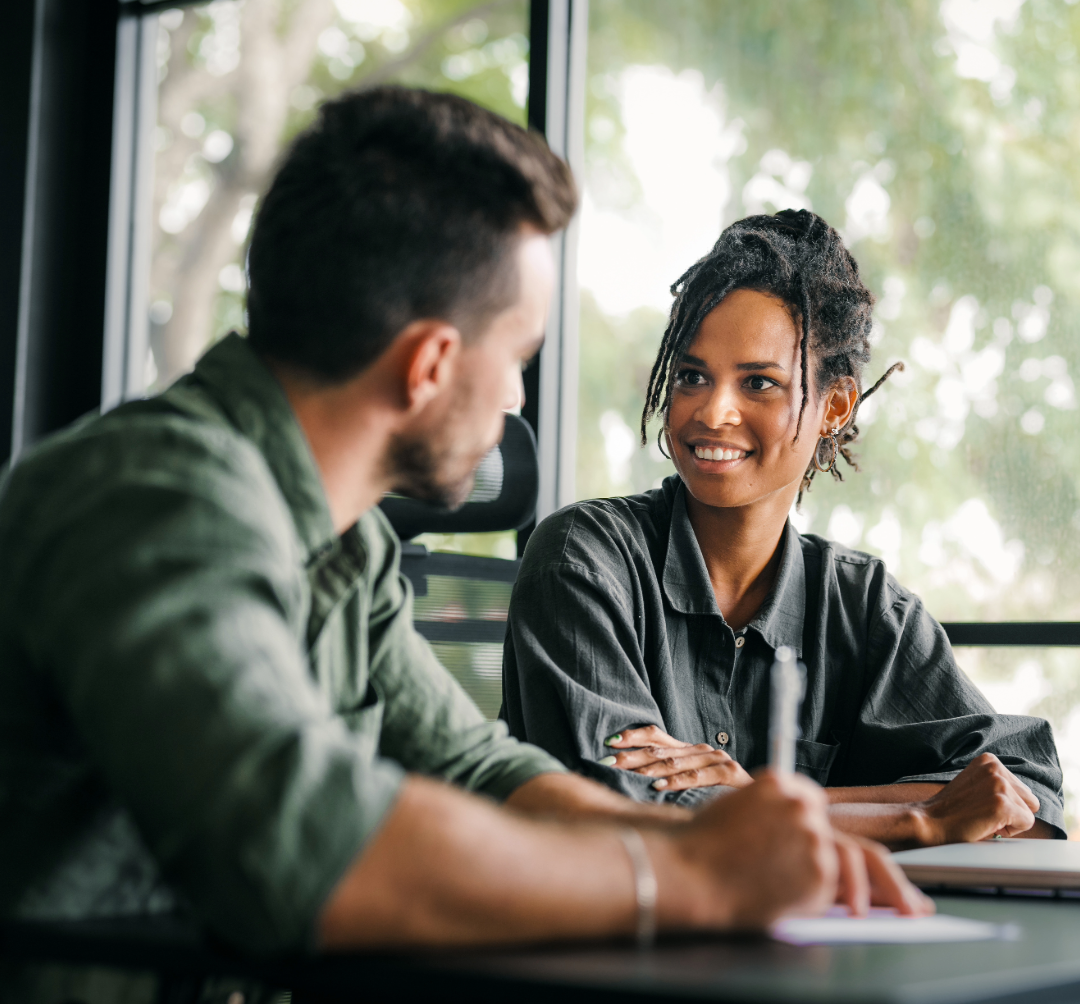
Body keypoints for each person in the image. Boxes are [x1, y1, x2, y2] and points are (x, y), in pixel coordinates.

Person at [0, 91, 927, 994]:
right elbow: (303, 849)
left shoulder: (342, 544)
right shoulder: (155, 501)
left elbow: (473, 766)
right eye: (517, 357)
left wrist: (702, 842)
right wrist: (686, 884)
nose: (520, 401)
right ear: (430, 366)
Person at [502, 209, 1065, 846]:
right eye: (692, 376)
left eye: (759, 383)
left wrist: (758, 799)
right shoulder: (581, 559)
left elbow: (1025, 789)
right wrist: (919, 816)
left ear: (834, 406)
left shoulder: (862, 606)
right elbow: (622, 809)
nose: (713, 411)